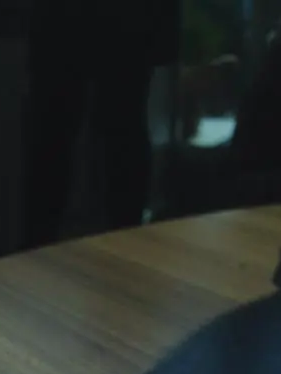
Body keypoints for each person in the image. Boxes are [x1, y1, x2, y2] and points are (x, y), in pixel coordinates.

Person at [25, 0, 181, 244]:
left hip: (75, 17)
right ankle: (127, 239)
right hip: (128, 16)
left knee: (55, 129)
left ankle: (37, 245)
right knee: (123, 124)